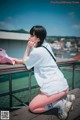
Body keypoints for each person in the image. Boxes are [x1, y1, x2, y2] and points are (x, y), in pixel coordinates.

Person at [15, 25, 75, 120]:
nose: (29, 37)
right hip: (64, 85)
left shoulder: (37, 51)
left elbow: (26, 61)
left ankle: (60, 104)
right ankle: (65, 98)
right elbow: (36, 58)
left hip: (55, 89)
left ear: (38, 38)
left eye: (31, 35)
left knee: (33, 107)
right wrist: (33, 47)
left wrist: (28, 47)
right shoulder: (47, 46)